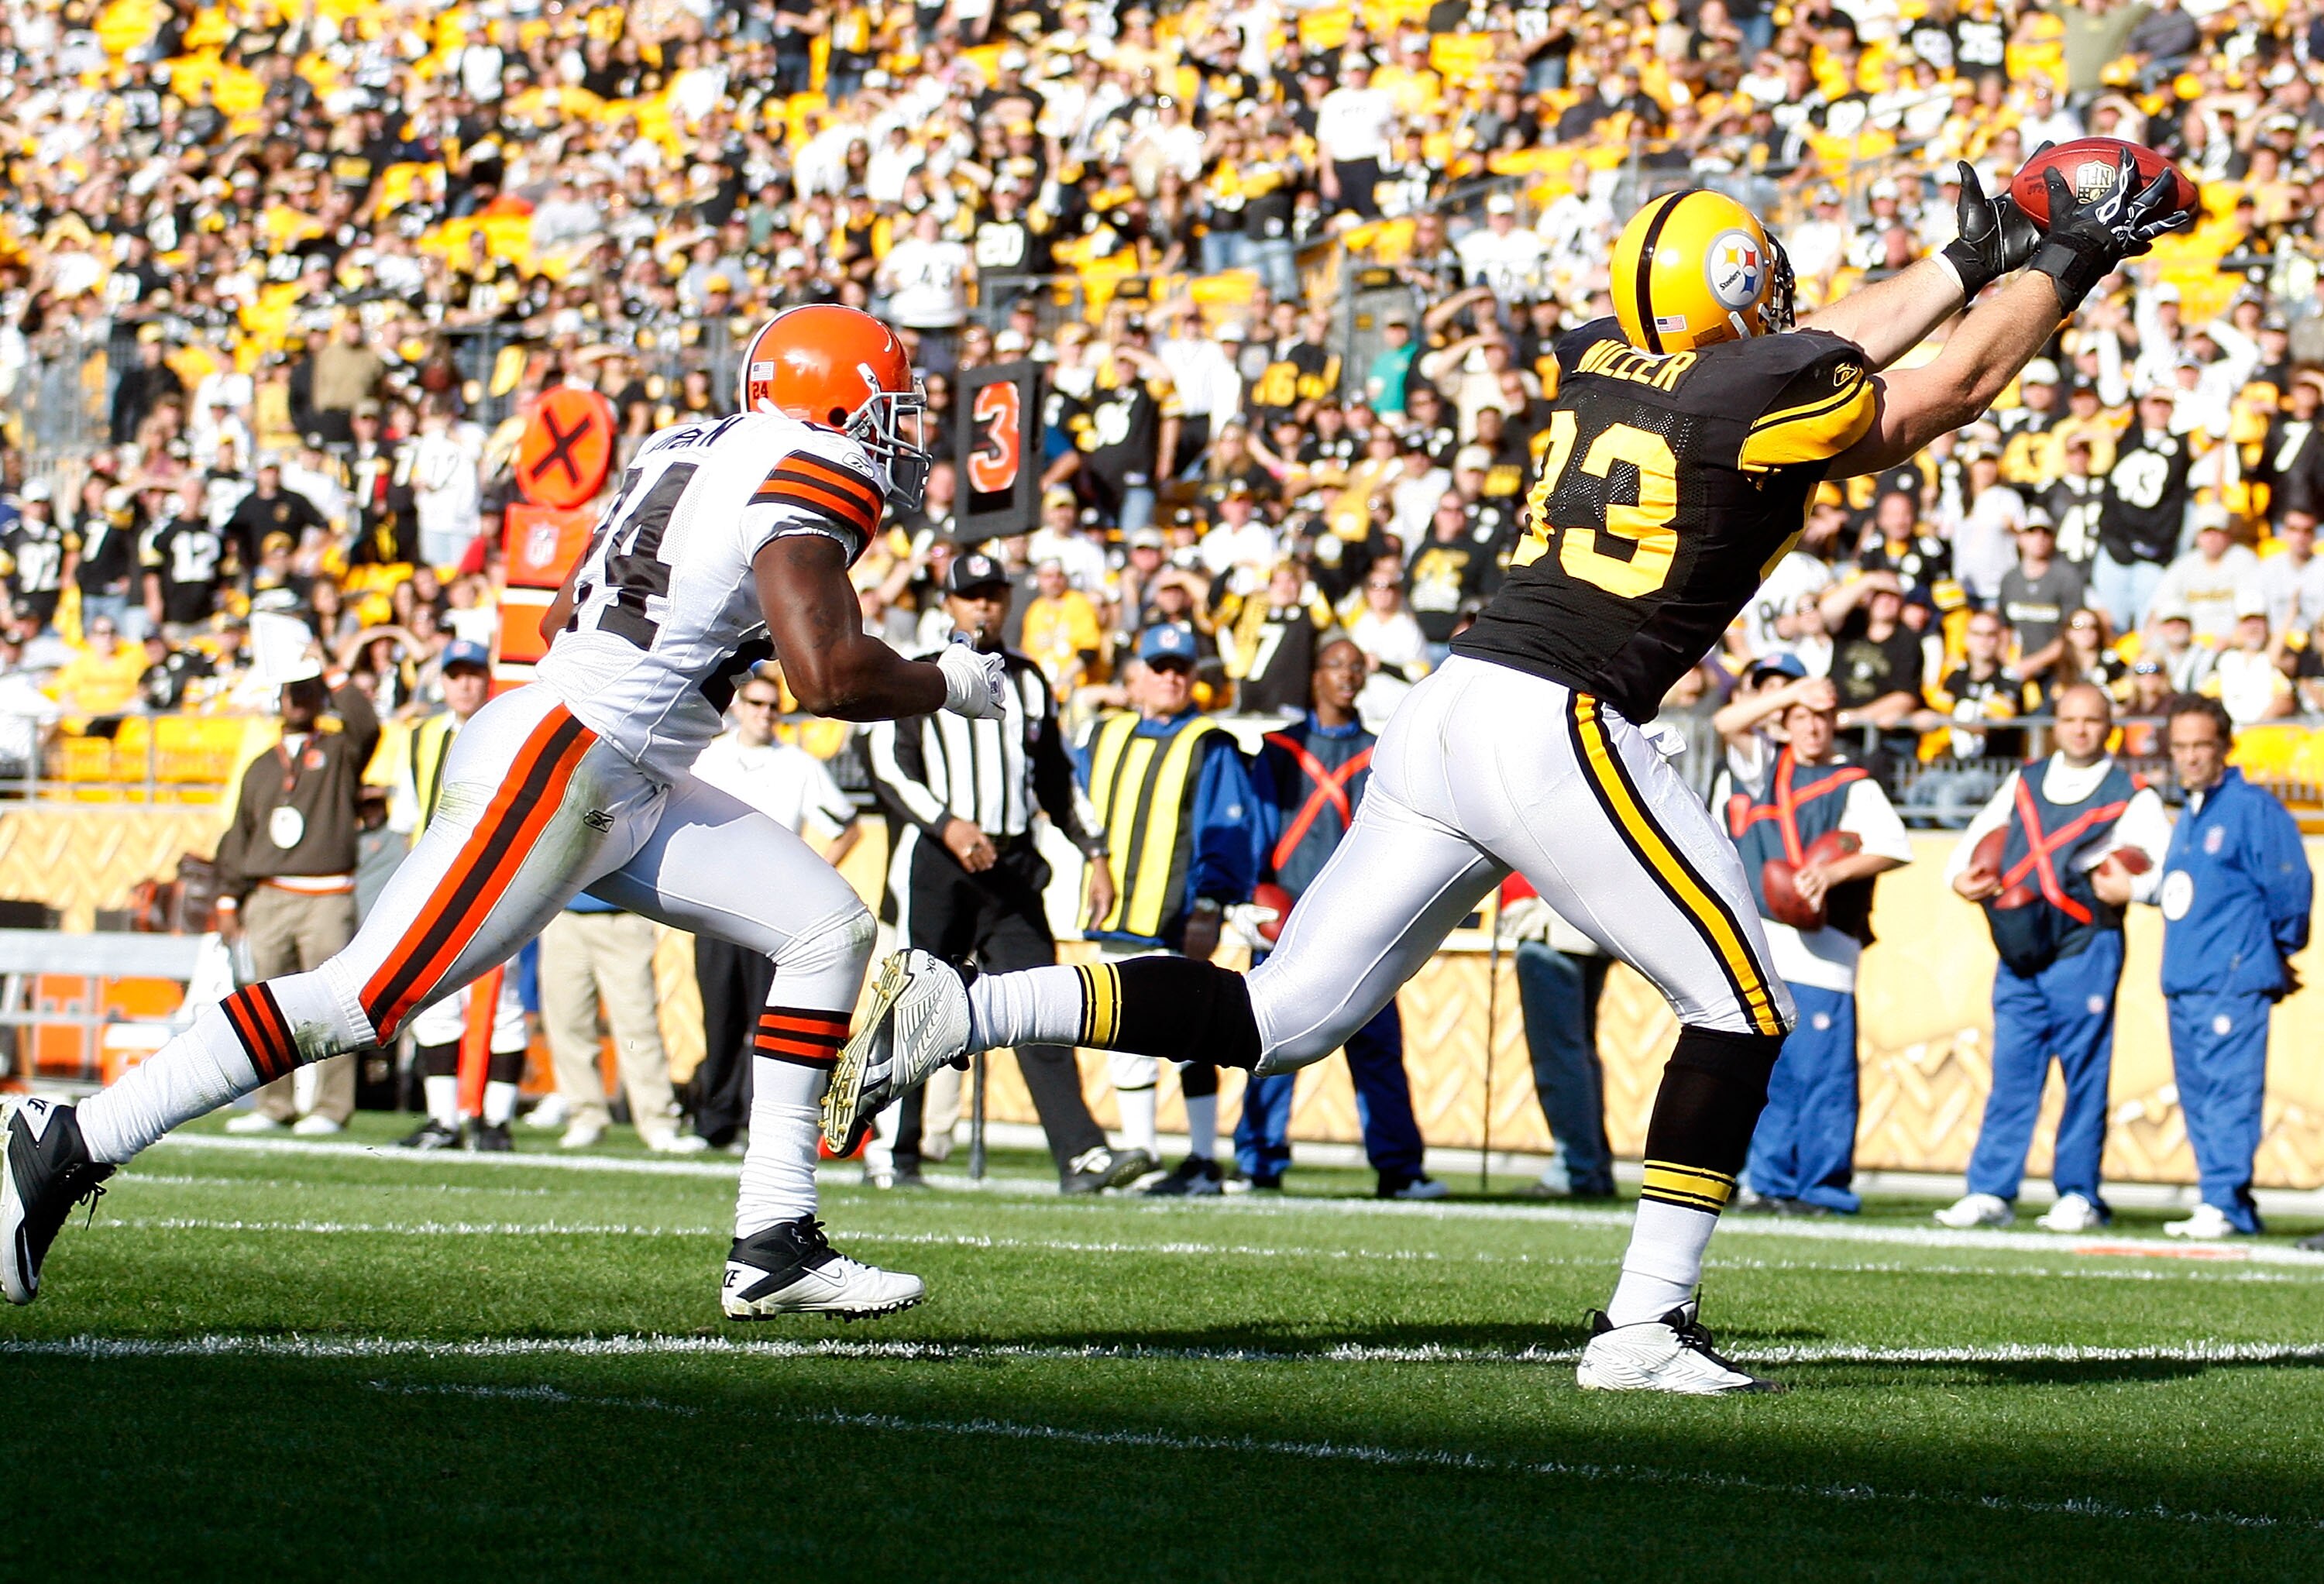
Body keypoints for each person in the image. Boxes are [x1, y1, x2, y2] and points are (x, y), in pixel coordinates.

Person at [839, 162, 2186, 1393]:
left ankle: (963, 1007)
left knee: (1284, 1016)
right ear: (1734, 293)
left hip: (1448, 714)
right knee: (1739, 1001)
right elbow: (1931, 390)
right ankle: (1646, 1325)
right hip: (1558, 719)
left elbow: (1825, 348)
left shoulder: (1606, 363)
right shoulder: (1747, 401)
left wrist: (1978, 258)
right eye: (1763, 277)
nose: (1789, 296)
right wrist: (2063, 265)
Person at [2, 305, 1012, 1324]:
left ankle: (775, 1239)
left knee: (824, 929)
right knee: (362, 1000)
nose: (900, 435)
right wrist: (948, 680)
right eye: (888, 409)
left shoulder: (689, 446)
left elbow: (554, 616)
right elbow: (829, 676)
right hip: (568, 763)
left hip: (615, 764)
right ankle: (71, 1137)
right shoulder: (807, 462)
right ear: (831, 401)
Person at [859, 551, 1143, 1194]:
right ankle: (892, 1154)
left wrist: (1095, 851)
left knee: (1043, 1004)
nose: (984, 605)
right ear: (949, 605)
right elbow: (889, 762)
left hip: (1011, 865)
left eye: (994, 594)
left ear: (1009, 602)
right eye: (971, 595)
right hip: (937, 861)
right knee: (915, 1005)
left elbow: (1055, 777)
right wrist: (949, 824)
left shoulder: (1031, 680)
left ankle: (1080, 1154)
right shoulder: (921, 674)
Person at [1934, 685, 2171, 1232]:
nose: (2081, 728)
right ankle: (1991, 1189)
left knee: (2084, 1073)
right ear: (2056, 723)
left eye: (2093, 719)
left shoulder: (2132, 792)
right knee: (2012, 1072)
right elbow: (1966, 854)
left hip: (2085, 944)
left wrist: (2132, 888)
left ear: (2109, 726)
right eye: (2071, 717)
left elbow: (2159, 869)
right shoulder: (2025, 780)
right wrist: (1964, 878)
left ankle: (2078, 1191)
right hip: (2020, 947)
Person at [1235, 638, 1443, 1199]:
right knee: (1270, 1044)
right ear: (1316, 676)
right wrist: (1252, 894)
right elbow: (1256, 826)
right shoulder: (1277, 750)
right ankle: (1258, 1161)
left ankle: (1399, 1169)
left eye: (1356, 667)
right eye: (1336, 666)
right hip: (1285, 922)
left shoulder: (1381, 752)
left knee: (1378, 1049)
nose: (1347, 676)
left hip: (1361, 922)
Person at [1715, 671, 1910, 1216]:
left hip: (1825, 943)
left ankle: (1822, 1185)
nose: (1812, 727)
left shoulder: (1852, 781)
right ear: (1784, 721)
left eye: (1822, 717)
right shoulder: (1762, 769)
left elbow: (1891, 846)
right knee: (1774, 1073)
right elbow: (1725, 721)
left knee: (1825, 1074)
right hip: (1762, 940)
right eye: (1801, 717)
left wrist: (1833, 874)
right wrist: (1793, 692)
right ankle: (1770, 1179)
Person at [2149, 694, 2311, 1239]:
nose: (2191, 757)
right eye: (2181, 746)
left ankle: (2222, 1197)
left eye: (2202, 745)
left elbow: (2290, 888)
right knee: (2198, 1094)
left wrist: (2271, 953)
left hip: (2232, 978)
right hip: (2186, 978)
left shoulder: (2252, 808)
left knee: (2229, 1092)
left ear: (2225, 746)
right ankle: (2227, 1203)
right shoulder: (2189, 814)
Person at [213, 624, 381, 1137]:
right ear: (278, 698)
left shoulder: (339, 751)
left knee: (334, 1005)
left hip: (327, 896)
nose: (298, 699)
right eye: (291, 691)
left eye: (307, 690)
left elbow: (367, 725)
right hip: (269, 897)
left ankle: (331, 1106)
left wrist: (327, 669)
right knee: (268, 1007)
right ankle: (273, 1103)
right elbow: (240, 832)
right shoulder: (263, 765)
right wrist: (227, 896)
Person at [686, 671, 862, 1149]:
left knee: (769, 1021)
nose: (765, 714)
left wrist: (811, 873)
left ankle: (759, 1123)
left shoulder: (799, 765)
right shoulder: (710, 756)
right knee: (719, 1015)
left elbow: (848, 826)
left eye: (773, 707)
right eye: (757, 704)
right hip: (716, 901)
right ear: (739, 707)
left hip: (774, 909)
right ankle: (713, 1122)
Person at [395, 639, 534, 1151]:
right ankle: (443, 1118)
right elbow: (406, 817)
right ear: (444, 680)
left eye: (474, 673)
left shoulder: (511, 728)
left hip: (501, 877)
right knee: (434, 997)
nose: (465, 684)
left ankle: (495, 1120)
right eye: (456, 674)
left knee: (504, 996)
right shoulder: (420, 739)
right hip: (436, 881)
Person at [1502, 875, 1617, 1200]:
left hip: (1546, 918)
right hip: (1586, 917)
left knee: (1559, 1056)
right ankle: (1592, 1169)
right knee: (1578, 1052)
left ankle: (1575, 1169)